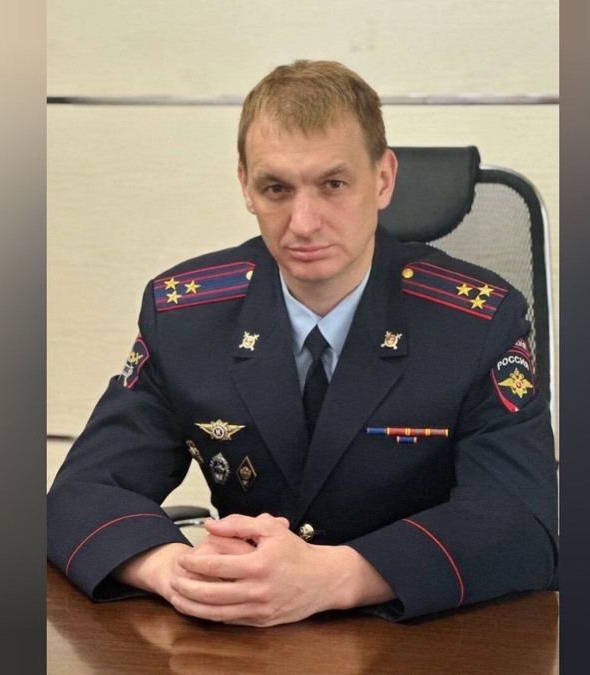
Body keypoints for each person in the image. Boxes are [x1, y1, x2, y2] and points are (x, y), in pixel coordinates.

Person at [47, 59, 558, 627]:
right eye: (277, 189)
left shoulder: (478, 322)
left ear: (383, 179)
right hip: (244, 641)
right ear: (246, 187)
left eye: (333, 185)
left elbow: (523, 521)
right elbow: (81, 491)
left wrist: (336, 576)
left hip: (420, 637)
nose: (304, 222)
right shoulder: (186, 317)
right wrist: (178, 571)